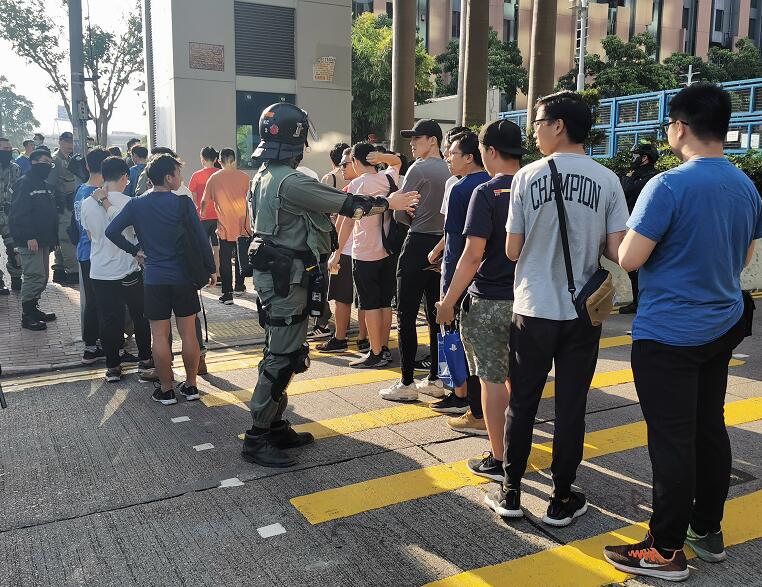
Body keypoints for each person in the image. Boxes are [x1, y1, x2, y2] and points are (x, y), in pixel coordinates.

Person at [603, 83, 762, 582]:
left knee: (671, 441)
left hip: (669, 331)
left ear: (681, 126)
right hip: (721, 323)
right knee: (708, 428)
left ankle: (665, 549)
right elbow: (746, 257)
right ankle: (706, 530)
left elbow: (630, 258)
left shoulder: (667, 186)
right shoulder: (746, 186)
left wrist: (611, 242)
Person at [242, 102, 418, 468]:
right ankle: (258, 435)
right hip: (287, 279)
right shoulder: (291, 182)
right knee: (282, 355)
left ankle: (273, 424)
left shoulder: (263, 176)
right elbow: (349, 204)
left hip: (281, 277)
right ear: (296, 141)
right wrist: (389, 202)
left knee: (283, 350)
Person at [490, 90, 628, 525]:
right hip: (582, 313)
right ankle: (561, 497)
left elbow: (512, 251)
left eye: (538, 122)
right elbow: (618, 251)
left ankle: (511, 492)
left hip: (532, 308)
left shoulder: (526, 177)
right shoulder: (607, 180)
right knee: (571, 405)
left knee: (523, 402)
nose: (533, 131)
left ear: (559, 125)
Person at [437, 121, 526, 480]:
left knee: (491, 379)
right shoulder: (536, 187)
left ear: (489, 152)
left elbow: (473, 254)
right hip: (531, 300)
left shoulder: (486, 192)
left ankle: (500, 458)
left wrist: (448, 301)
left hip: (489, 299)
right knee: (519, 378)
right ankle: (518, 448)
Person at [106, 154, 216, 405]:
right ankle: (191, 386)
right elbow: (201, 238)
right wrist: (211, 268)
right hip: (183, 278)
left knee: (159, 335)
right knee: (188, 334)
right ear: (168, 178)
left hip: (154, 279)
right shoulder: (183, 203)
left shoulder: (136, 204)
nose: (181, 178)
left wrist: (135, 251)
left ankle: (166, 390)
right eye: (178, 173)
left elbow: (111, 231)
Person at [379, 119, 449, 402]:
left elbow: (399, 211)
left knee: (406, 314)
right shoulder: (451, 169)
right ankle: (435, 378)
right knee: (436, 315)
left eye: (417, 139)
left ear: (433, 140)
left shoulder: (418, 169)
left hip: (418, 241)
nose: (412, 143)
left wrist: (410, 216)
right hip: (443, 246)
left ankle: (407, 382)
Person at [430, 130, 491, 424]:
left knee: (454, 337)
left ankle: (461, 395)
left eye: (452, 153)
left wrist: (447, 293)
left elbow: (456, 243)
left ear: (469, 157)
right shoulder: (493, 183)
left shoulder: (461, 188)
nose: (447, 158)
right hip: (487, 280)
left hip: (460, 276)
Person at [81, 157, 152, 383]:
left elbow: (89, 234)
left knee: (108, 319)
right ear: (124, 177)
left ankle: (112, 367)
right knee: (140, 316)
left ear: (103, 176)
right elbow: (138, 235)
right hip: (127, 269)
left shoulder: (87, 203)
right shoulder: (131, 202)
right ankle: (145, 360)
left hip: (99, 271)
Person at [331, 142, 401, 368]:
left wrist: (337, 253)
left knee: (369, 304)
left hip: (364, 252)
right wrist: (382, 157)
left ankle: (375, 352)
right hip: (388, 250)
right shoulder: (388, 178)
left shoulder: (357, 184)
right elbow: (397, 162)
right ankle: (385, 348)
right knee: (385, 302)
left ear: (355, 161)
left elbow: (348, 222)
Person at [318, 148, 369, 353]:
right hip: (367, 251)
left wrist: (335, 252)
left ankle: (340, 338)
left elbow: (343, 224)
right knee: (365, 299)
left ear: (356, 162)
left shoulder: (353, 188)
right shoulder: (379, 183)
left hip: (347, 250)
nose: (341, 168)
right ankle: (364, 339)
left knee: (341, 297)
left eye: (345, 164)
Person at [8, 149, 58, 330]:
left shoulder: (43, 184)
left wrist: (53, 239)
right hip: (30, 240)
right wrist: (29, 236)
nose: (48, 165)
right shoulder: (25, 183)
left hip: (43, 240)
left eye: (50, 162)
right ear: (34, 162)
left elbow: (49, 212)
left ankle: (34, 308)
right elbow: (19, 213)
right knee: (34, 276)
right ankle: (27, 315)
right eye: (45, 161)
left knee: (42, 276)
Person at [73, 147, 111, 364]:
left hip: (83, 252)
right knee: (103, 302)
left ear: (87, 166)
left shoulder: (80, 190)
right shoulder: (98, 195)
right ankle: (105, 346)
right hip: (97, 252)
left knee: (92, 301)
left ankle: (91, 346)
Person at [200, 148, 251, 304]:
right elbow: (251, 200)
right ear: (234, 160)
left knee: (225, 260)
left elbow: (204, 201)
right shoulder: (245, 177)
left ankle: (228, 294)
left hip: (224, 226)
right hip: (243, 225)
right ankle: (240, 286)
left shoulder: (214, 178)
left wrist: (202, 212)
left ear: (219, 161)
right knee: (241, 257)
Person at [617, 141, 660, 314]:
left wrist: (628, 178)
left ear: (644, 158)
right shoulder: (641, 176)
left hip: (642, 230)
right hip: (635, 228)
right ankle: (639, 301)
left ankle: (641, 303)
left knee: (639, 269)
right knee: (635, 271)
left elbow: (625, 191)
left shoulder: (649, 178)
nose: (632, 159)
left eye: (636, 156)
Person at [47, 132, 82, 285]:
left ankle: (59, 270)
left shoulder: (70, 158)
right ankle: (73, 271)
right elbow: (50, 185)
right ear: (60, 142)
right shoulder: (56, 160)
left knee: (63, 238)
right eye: (67, 141)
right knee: (67, 238)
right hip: (62, 204)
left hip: (70, 202)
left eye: (71, 141)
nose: (70, 144)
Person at [189, 147, 221, 279]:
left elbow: (194, 197)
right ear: (215, 159)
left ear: (202, 159)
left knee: (203, 246)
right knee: (217, 246)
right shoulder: (220, 174)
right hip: (218, 216)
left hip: (202, 216)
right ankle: (218, 273)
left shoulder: (196, 176)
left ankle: (206, 274)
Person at [0, 138, 22, 295]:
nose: (8, 151)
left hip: (9, 215)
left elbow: (20, 190)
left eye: (9, 148)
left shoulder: (15, 168)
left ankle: (16, 278)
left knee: (14, 249)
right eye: (4, 149)